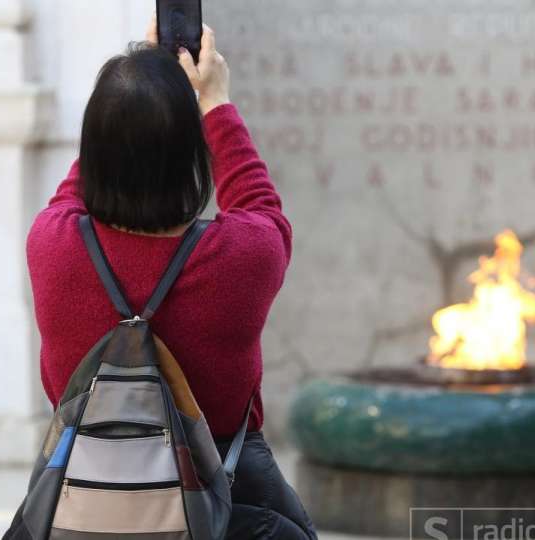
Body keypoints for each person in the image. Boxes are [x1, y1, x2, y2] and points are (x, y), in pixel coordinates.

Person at [25, 15, 318, 540]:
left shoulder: (52, 244)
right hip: (226, 490)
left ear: (94, 149)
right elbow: (261, 206)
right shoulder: (241, 256)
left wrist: (128, 111)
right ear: (193, 156)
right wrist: (216, 104)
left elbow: (84, 180)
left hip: (80, 492)